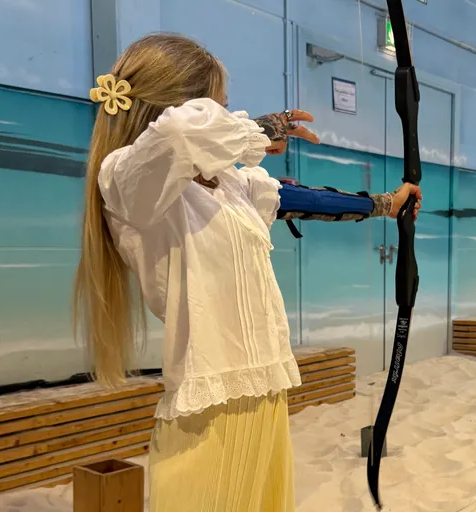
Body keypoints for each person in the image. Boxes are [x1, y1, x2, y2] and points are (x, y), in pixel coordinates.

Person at [72, 33, 421, 511]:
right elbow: (179, 136)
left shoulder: (231, 184)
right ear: (180, 106)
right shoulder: (128, 180)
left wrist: (382, 204)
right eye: (218, 106)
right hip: (205, 408)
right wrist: (257, 129)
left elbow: (296, 200)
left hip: (263, 394)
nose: (226, 116)